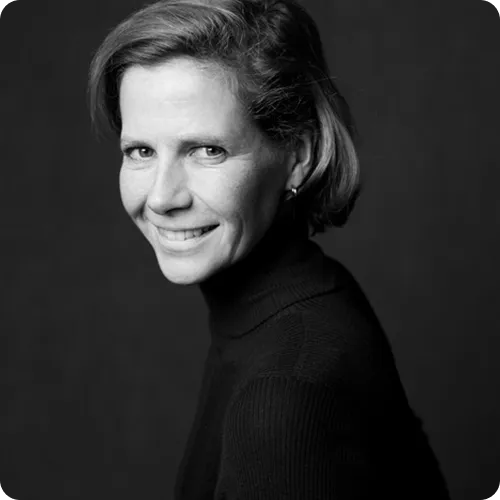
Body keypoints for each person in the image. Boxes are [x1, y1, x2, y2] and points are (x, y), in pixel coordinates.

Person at [88, 0, 451, 498]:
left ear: (298, 156)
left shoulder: (284, 392)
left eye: (207, 150)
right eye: (141, 151)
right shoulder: (309, 299)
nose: (161, 197)